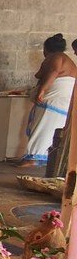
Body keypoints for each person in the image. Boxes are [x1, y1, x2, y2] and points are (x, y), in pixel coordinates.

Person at [18, 34, 77, 167]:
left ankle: (33, 158)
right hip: (62, 101)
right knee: (51, 128)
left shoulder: (56, 57)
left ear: (46, 49)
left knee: (43, 127)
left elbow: (54, 71)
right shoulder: (65, 60)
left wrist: (42, 91)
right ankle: (42, 157)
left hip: (53, 101)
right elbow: (40, 74)